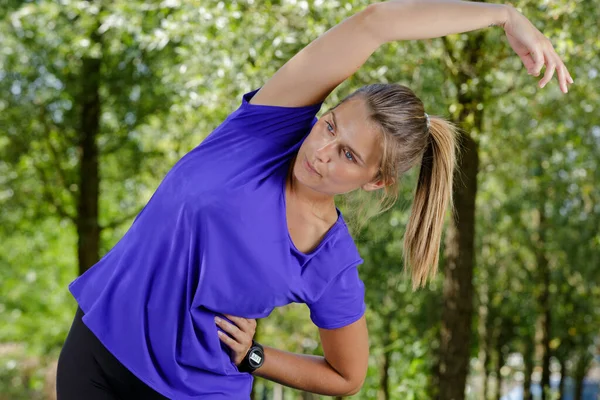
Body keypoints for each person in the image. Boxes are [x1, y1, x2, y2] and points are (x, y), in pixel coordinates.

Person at [56, 1, 572, 399]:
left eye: (348, 155)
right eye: (329, 126)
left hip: (197, 388)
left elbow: (347, 375)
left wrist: (256, 357)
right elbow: (373, 23)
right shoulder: (268, 128)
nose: (322, 151)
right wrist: (504, 14)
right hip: (100, 343)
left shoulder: (330, 260)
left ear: (374, 182)